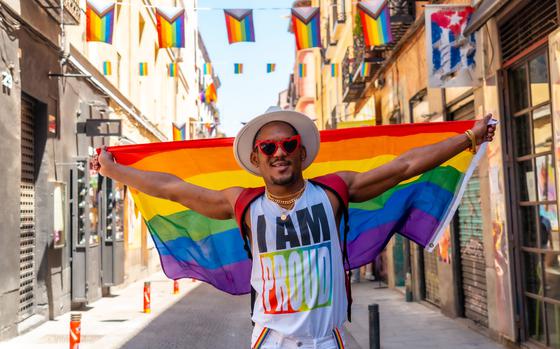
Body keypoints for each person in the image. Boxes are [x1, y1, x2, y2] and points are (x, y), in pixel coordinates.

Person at [93, 108, 495, 349]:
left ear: (302, 151)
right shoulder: (245, 205)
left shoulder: (335, 191)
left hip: (327, 340)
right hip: (272, 342)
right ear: (257, 157)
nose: (279, 152)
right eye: (269, 148)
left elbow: (405, 166)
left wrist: (467, 139)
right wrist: (114, 170)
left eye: (288, 145)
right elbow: (174, 188)